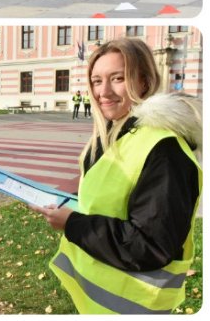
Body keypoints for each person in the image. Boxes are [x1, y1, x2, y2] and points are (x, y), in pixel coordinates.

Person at [32, 38, 201, 314]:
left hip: (138, 305)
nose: (103, 91)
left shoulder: (164, 150)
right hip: (100, 300)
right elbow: (107, 195)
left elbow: (151, 244)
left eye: (117, 78)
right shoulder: (111, 136)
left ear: (144, 81)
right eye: (96, 81)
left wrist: (72, 224)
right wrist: (65, 203)